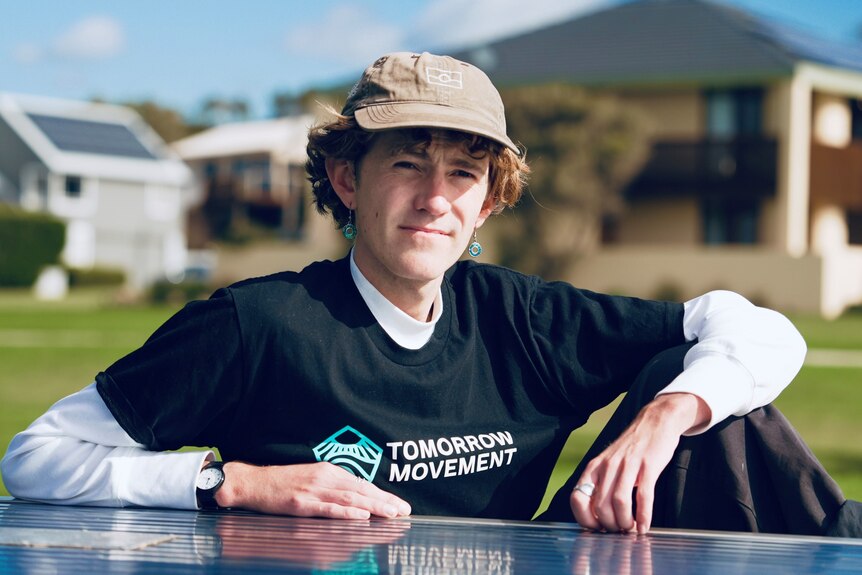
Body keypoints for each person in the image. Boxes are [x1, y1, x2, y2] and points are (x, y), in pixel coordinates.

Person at [0, 52, 849, 536]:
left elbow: (760, 331)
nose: (435, 196)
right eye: (407, 162)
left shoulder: (519, 317)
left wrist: (668, 413)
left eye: (464, 172)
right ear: (345, 177)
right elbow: (33, 459)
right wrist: (234, 482)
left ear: (489, 199)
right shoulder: (255, 325)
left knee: (714, 400)